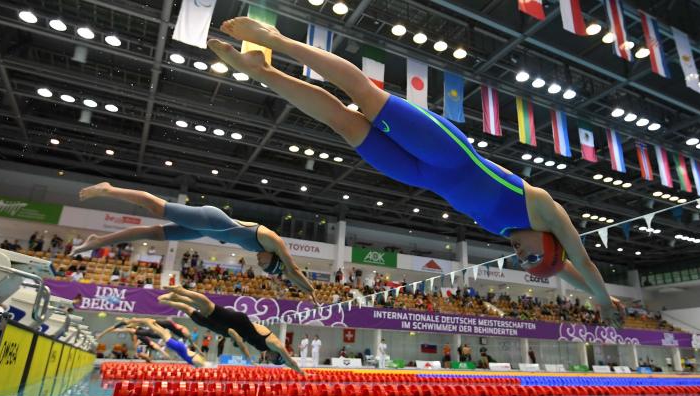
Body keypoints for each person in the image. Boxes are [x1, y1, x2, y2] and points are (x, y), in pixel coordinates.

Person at [207, 17, 622, 311]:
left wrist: (590, 290)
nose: (519, 258)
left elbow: (560, 268)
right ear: (549, 244)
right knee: (363, 93)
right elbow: (578, 262)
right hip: (446, 152)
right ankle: (277, 40)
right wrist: (603, 302)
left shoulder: (510, 229)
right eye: (530, 258)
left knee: (343, 122)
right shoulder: (541, 206)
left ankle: (262, 72)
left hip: (420, 175)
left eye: (523, 265)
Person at [72, 182, 317, 301]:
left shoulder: (265, 252)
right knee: (158, 208)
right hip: (210, 219)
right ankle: (109, 189)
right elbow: (292, 268)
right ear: (272, 258)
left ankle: (97, 241)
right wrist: (313, 290)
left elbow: (288, 274)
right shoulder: (271, 240)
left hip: (205, 231)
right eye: (264, 265)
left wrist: (307, 292)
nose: (259, 263)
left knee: (153, 233)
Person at [157, 286, 306, 375]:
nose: (269, 360)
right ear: (277, 355)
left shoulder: (267, 348)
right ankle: (181, 291)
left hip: (239, 325)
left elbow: (245, 344)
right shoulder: (274, 343)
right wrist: (301, 372)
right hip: (238, 323)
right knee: (209, 307)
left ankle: (177, 296)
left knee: (205, 310)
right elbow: (290, 360)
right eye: (273, 359)